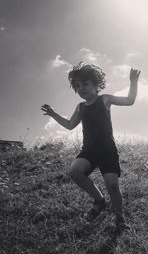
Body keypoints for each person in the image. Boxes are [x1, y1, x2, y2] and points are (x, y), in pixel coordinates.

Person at [41, 61, 140, 231]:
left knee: (112, 185)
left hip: (107, 150)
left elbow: (130, 101)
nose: (81, 89)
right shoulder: (80, 107)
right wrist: (53, 113)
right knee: (74, 171)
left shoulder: (105, 99)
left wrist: (133, 82)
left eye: (85, 84)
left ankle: (119, 218)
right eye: (78, 86)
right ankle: (99, 201)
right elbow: (70, 124)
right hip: (89, 151)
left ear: (96, 84)